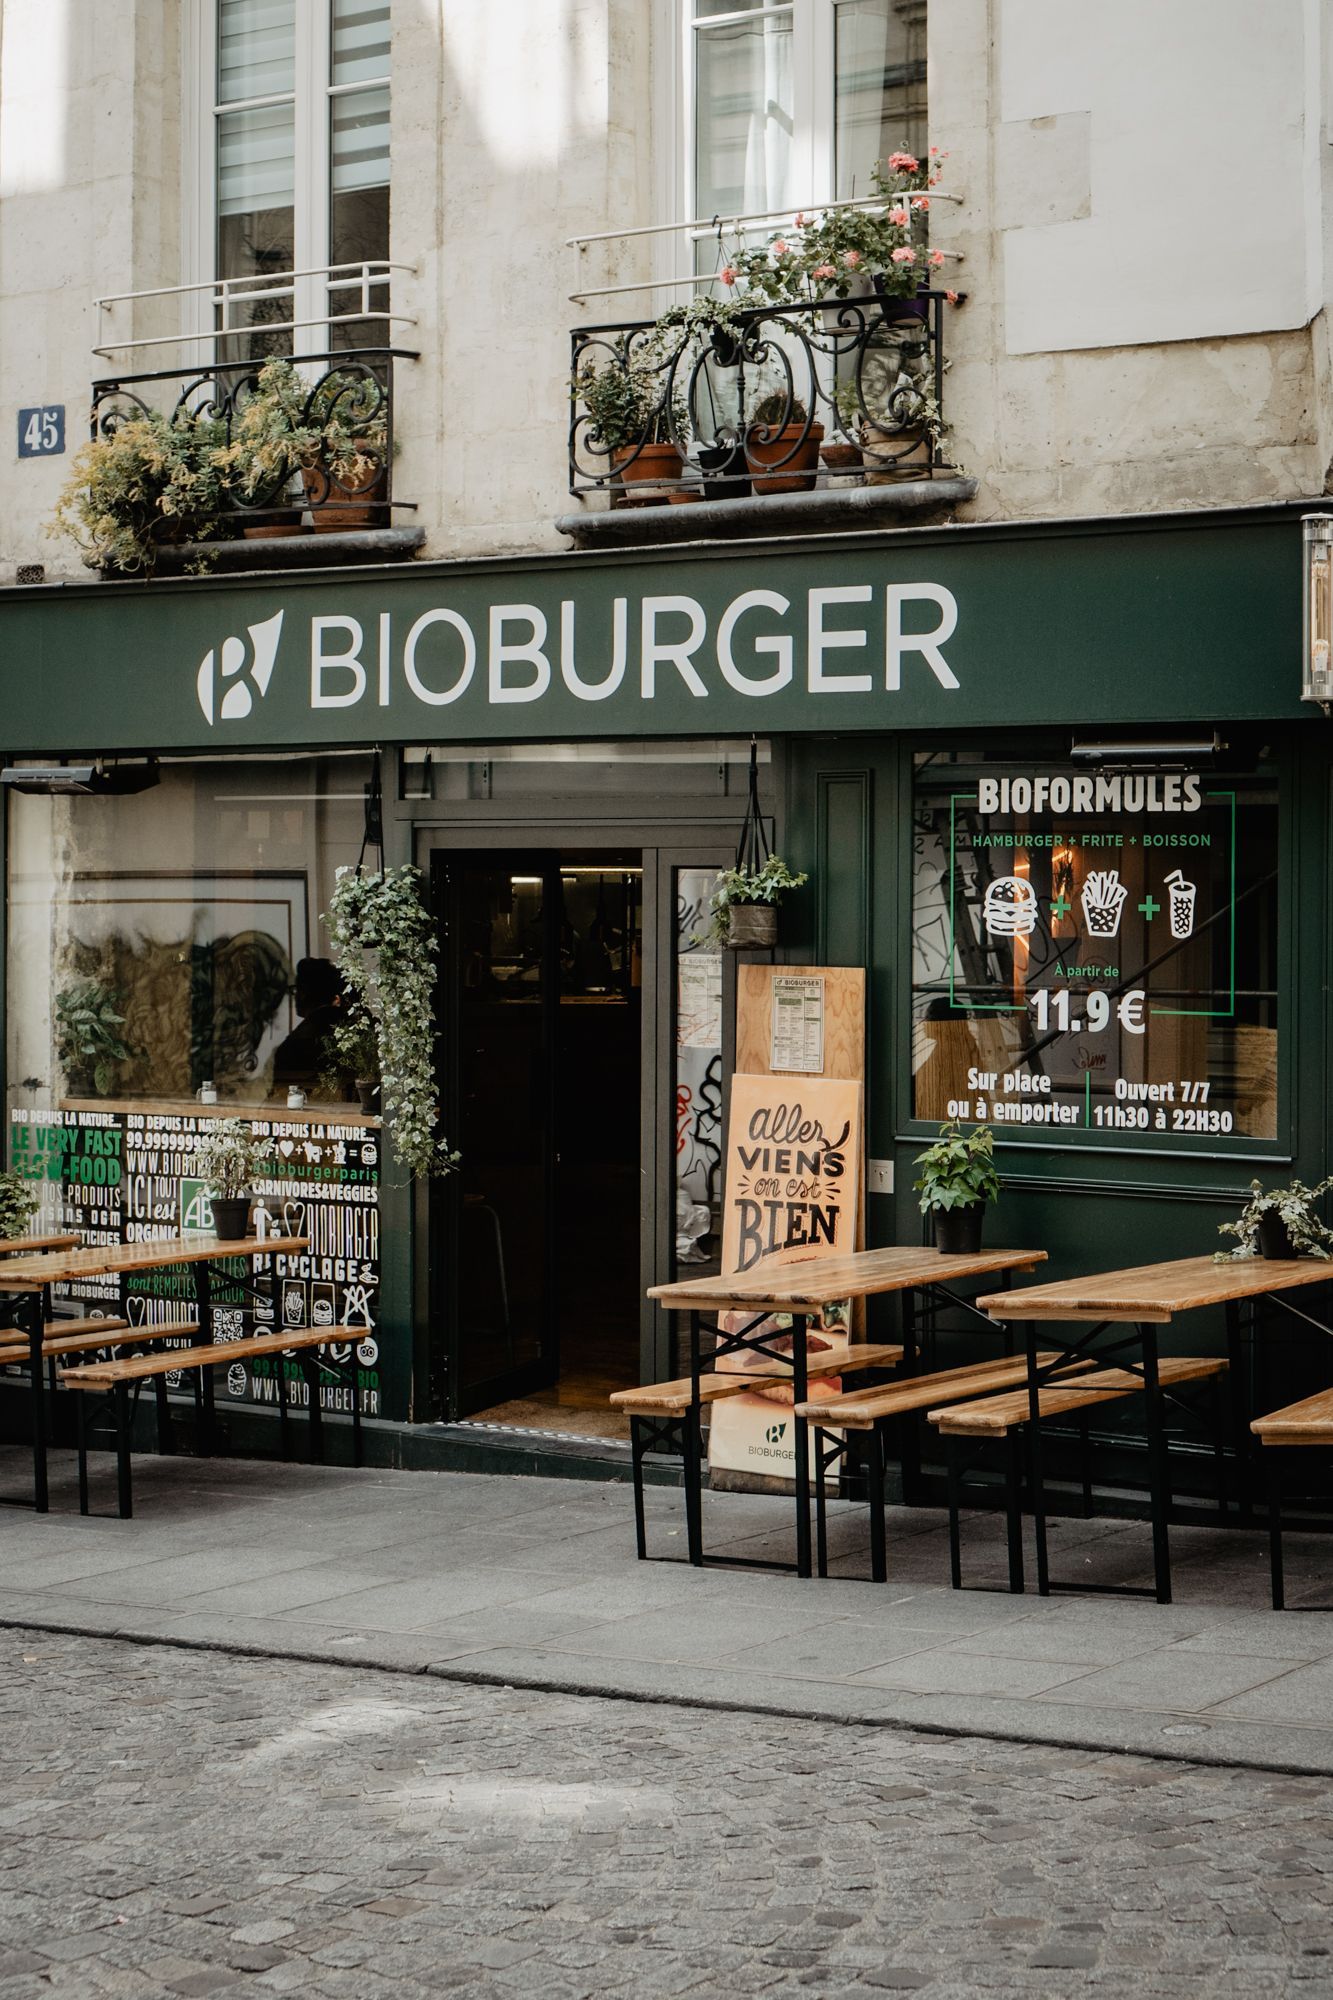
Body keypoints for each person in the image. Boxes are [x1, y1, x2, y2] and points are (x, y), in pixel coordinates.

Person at [272, 957, 344, 1089]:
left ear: (303, 993)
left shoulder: (305, 1036)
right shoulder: (343, 1025)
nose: (294, 996)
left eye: (296, 990)